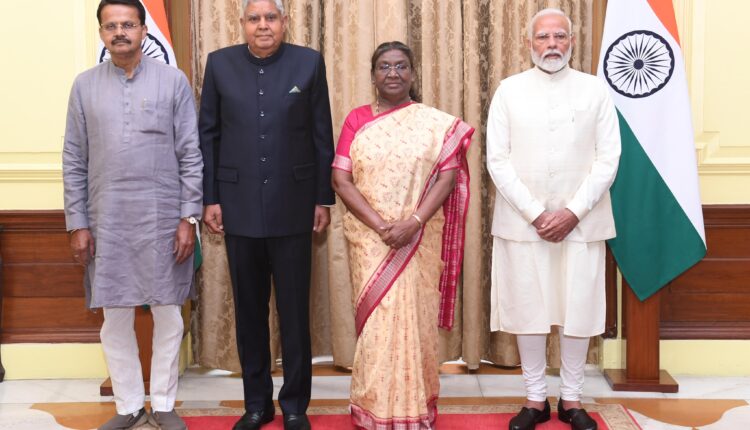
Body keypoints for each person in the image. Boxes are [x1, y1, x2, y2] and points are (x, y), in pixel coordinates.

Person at [62, 1, 203, 429]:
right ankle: (127, 405)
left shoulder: (173, 81)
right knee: (115, 315)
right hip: (107, 222)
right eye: (111, 26)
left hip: (162, 219)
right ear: (102, 34)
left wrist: (187, 218)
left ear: (144, 30)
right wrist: (78, 223)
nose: (120, 32)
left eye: (128, 24)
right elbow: (73, 158)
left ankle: (162, 401)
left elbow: (190, 154)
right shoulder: (84, 86)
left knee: (167, 312)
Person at [198, 0, 334, 429]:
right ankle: (256, 404)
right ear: (243, 24)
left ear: (284, 22)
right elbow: (209, 135)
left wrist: (322, 199)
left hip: (294, 208)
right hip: (237, 210)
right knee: (250, 315)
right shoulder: (219, 65)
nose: (262, 26)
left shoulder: (308, 63)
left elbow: (320, 133)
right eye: (254, 18)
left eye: (270, 18)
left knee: (294, 315)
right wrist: (210, 198)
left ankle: (294, 405)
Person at [486, 8, 621, 430]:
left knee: (577, 308)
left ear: (572, 42)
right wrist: (537, 214)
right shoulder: (509, 91)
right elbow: (497, 160)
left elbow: (608, 158)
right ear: (529, 44)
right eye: (543, 38)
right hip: (523, 224)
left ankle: (572, 399)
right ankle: (534, 399)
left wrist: (572, 212)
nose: (551, 45)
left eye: (559, 37)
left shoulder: (595, 90)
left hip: (582, 222)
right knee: (529, 309)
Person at [332, 41, 474, 430]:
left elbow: (447, 176)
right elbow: (341, 180)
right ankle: (374, 409)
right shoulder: (356, 119)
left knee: (415, 320)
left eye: (400, 66)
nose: (392, 73)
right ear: (373, 74)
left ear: (412, 73)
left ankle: (414, 409)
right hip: (370, 239)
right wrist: (381, 226)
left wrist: (413, 222)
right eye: (384, 66)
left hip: (418, 238)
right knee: (379, 325)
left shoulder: (434, 122)